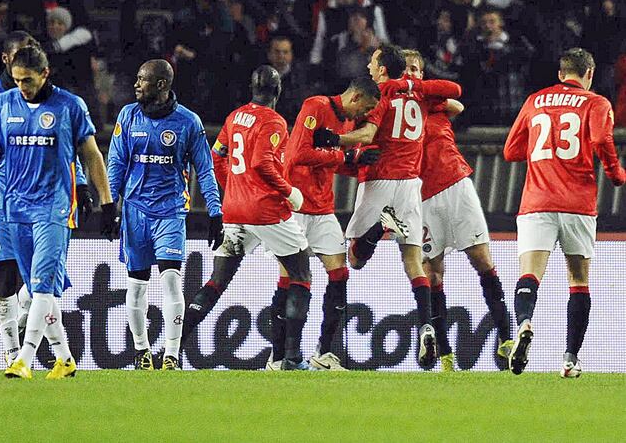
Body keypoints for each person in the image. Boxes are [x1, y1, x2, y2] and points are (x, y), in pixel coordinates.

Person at [0, 45, 118, 379]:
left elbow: (91, 155)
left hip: (54, 207)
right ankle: (65, 358)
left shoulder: (69, 106)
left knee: (41, 287)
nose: (22, 87)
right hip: (15, 209)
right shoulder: (3, 105)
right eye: (16, 80)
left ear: (45, 74)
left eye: (27, 80)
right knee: (35, 288)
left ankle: (24, 359)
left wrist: (106, 202)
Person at [314, 46, 461, 369]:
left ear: (382, 69)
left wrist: (334, 141)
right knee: (414, 261)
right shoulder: (417, 95)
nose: (368, 65)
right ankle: (426, 326)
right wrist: (414, 85)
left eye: (373, 61)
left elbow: (367, 133)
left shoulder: (378, 94)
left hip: (379, 178)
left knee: (354, 258)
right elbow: (455, 94)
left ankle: (380, 225)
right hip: (410, 184)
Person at [503, 48, 626, 377]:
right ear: (589, 74)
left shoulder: (535, 101)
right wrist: (616, 174)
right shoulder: (597, 103)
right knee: (579, 281)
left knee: (530, 275)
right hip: (578, 203)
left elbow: (511, 150)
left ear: (561, 74)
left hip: (537, 201)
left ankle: (525, 323)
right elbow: (602, 139)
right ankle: (570, 359)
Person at [182, 65, 313, 370]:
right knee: (301, 275)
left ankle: (171, 350)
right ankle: (291, 358)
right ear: (277, 91)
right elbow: (262, 164)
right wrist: (289, 192)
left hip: (234, 210)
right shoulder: (275, 121)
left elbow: (217, 157)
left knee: (216, 281)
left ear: (252, 89)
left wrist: (233, 187)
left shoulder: (233, 117)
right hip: (266, 211)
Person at [107, 59, 224, 371]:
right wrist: (109, 206)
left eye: (142, 80)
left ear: (161, 85)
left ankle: (172, 355)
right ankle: (142, 352)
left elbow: (205, 168)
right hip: (134, 214)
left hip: (170, 212)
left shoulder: (188, 122)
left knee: (172, 282)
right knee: (136, 285)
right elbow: (116, 162)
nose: (136, 84)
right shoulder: (128, 115)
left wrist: (215, 212)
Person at [407, 68, 513, 372]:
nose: (412, 75)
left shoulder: (431, 101)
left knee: (481, 259)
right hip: (421, 197)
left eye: (416, 70)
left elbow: (457, 100)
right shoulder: (392, 112)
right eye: (408, 71)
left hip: (455, 184)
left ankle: (506, 337)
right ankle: (445, 355)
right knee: (432, 274)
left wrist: (416, 89)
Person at [272, 75, 380, 371]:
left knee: (340, 274)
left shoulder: (344, 122)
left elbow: (328, 159)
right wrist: (341, 154)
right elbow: (298, 154)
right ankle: (278, 357)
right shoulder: (315, 106)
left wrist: (354, 162)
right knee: (291, 279)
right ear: (355, 97)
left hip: (323, 208)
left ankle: (323, 353)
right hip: (295, 207)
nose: (363, 117)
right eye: (364, 109)